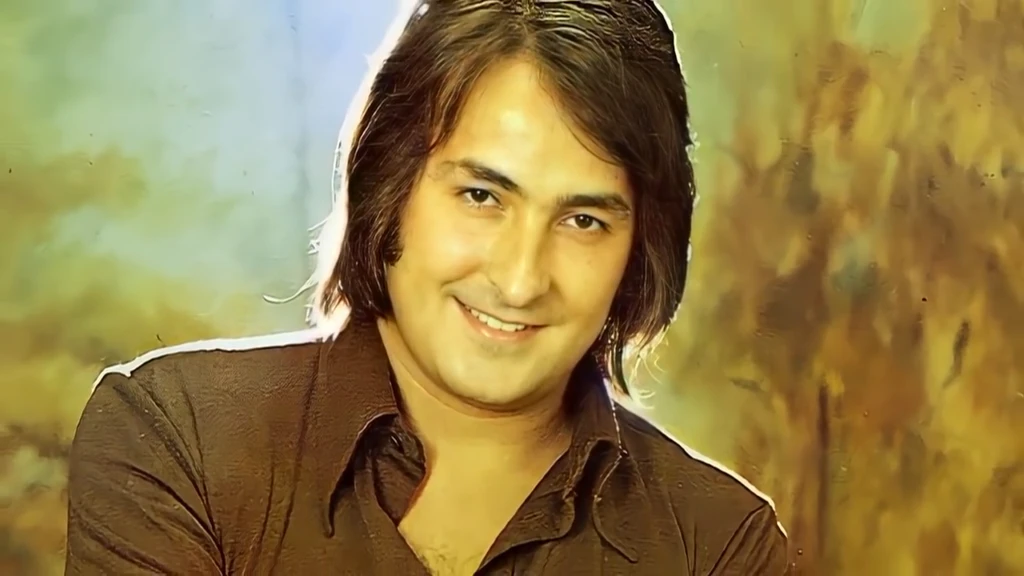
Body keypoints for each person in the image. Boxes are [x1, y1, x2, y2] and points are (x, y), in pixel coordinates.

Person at [65, 1, 789, 574]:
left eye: (583, 220)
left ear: (640, 248)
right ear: (391, 183)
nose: (519, 279)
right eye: (482, 196)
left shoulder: (718, 545)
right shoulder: (180, 436)